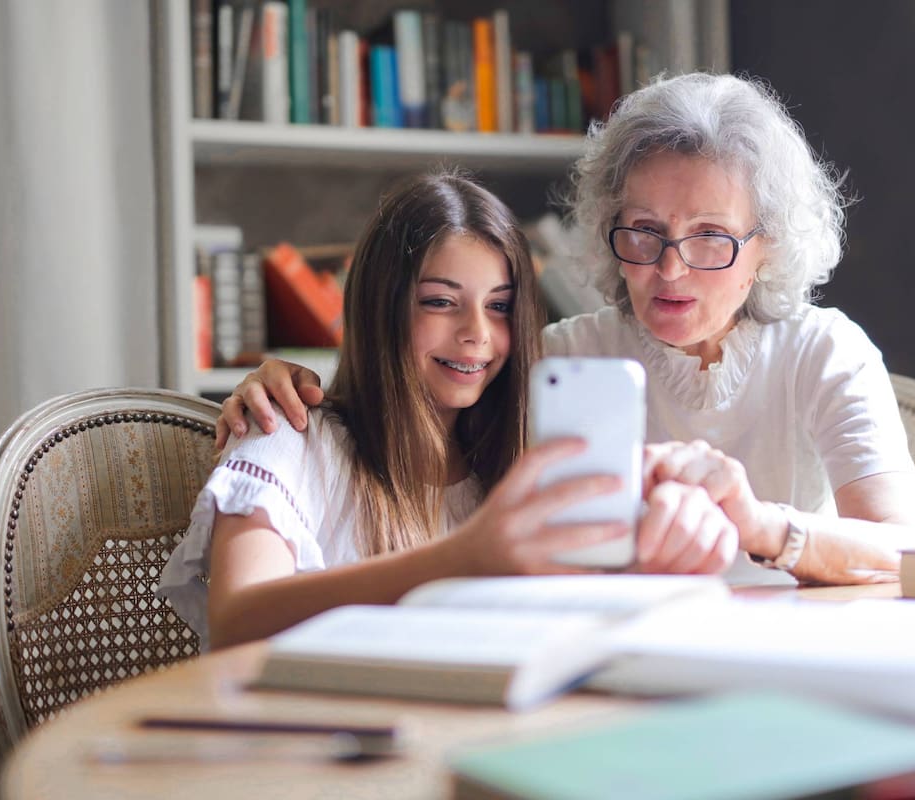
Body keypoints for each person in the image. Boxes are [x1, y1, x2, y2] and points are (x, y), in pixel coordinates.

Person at [219, 73, 915, 587]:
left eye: (711, 238)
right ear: (607, 228)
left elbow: (911, 552)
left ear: (768, 246)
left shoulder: (824, 350)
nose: (670, 270)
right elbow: (413, 411)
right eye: (644, 233)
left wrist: (760, 525)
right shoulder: (557, 359)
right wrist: (285, 383)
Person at [158, 172, 738, 650]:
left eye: (500, 307)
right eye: (440, 302)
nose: (477, 335)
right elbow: (236, 622)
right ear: (380, 307)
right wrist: (462, 558)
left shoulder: (517, 463)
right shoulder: (288, 436)